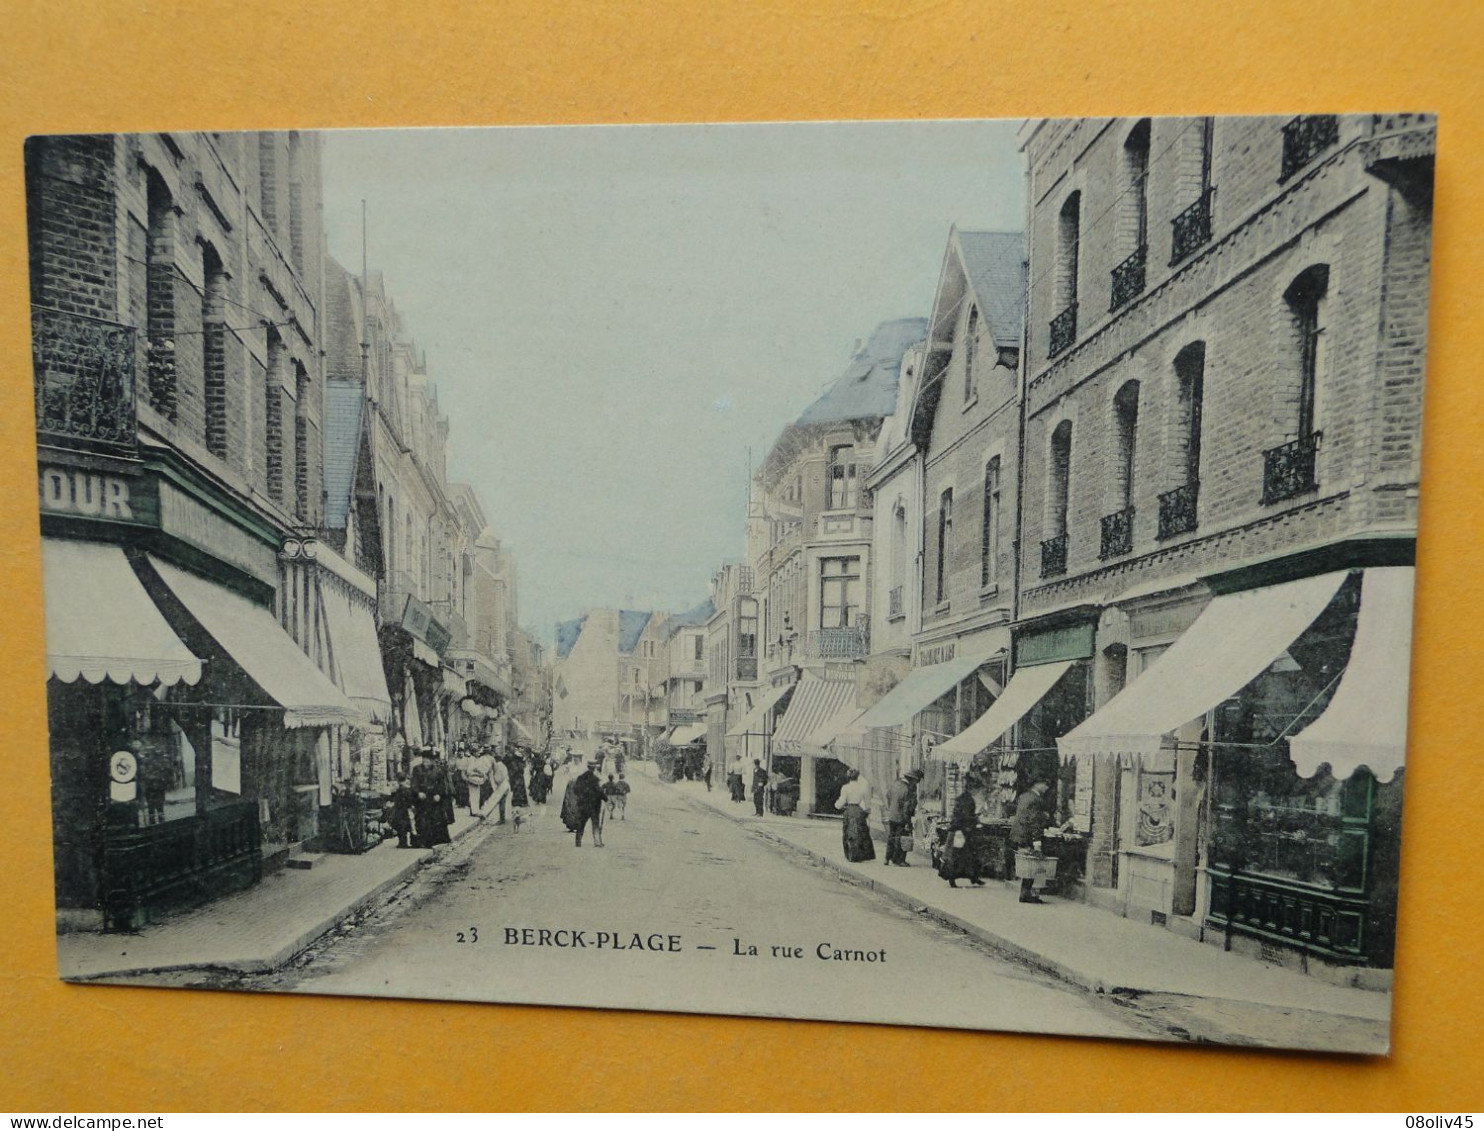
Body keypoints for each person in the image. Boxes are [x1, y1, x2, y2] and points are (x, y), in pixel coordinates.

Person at [1011, 780, 1060, 904]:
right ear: (1037, 784)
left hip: (1019, 835)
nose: (1046, 788)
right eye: (1045, 785)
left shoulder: (1024, 796)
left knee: (1028, 864)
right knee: (1033, 864)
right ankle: (1026, 895)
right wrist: (1037, 842)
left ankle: (1025, 893)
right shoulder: (1035, 800)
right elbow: (1034, 822)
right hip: (1027, 836)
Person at [938, 788, 986, 889]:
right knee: (961, 857)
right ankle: (969, 878)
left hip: (959, 831)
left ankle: (965, 878)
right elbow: (966, 816)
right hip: (961, 832)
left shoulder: (962, 800)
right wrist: (975, 820)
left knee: (958, 857)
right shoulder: (968, 801)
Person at [410, 748, 452, 847]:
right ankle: (422, 841)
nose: (426, 763)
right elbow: (414, 783)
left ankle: (434, 840)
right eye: (424, 760)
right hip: (422, 798)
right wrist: (418, 792)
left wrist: (439, 794)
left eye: (428, 761)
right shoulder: (417, 769)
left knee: (435, 819)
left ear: (432, 761)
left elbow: (442, 784)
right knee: (422, 820)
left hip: (433, 798)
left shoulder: (437, 770)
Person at [882, 768, 923, 866]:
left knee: (891, 837)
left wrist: (892, 807)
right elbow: (906, 808)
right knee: (902, 838)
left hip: (892, 815)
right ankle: (899, 860)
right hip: (901, 818)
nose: (916, 784)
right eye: (916, 782)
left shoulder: (895, 784)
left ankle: (887, 858)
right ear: (913, 780)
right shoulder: (907, 790)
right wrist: (908, 822)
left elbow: (888, 796)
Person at [834, 768, 875, 862]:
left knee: (849, 832)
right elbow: (867, 802)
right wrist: (867, 810)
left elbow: (841, 802)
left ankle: (851, 854)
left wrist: (836, 805)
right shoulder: (862, 788)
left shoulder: (845, 788)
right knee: (860, 832)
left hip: (850, 810)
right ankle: (862, 854)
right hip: (859, 810)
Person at [562, 760, 605, 847]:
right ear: (594, 769)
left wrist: (581, 797)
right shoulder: (595, 780)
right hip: (594, 806)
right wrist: (605, 797)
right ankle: (597, 842)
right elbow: (599, 792)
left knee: (581, 824)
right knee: (595, 824)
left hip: (583, 805)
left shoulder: (581, 778)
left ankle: (578, 842)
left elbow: (576, 790)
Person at [385, 773, 417, 848]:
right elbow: (410, 800)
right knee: (408, 827)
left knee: (402, 827)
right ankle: (409, 842)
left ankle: (403, 842)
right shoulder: (406, 789)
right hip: (405, 810)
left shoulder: (399, 790)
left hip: (401, 810)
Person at [462, 746, 495, 815]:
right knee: (474, 795)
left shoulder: (475, 759)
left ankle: (474, 810)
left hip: (474, 778)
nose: (479, 753)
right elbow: (470, 770)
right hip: (473, 778)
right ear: (474, 753)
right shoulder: (472, 760)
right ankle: (474, 811)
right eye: (477, 752)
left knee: (475, 795)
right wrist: (481, 774)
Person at [487, 752, 512, 823]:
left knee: (501, 803)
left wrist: (494, 781)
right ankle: (502, 818)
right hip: (506, 785)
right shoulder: (504, 766)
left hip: (502, 786)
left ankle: (502, 819)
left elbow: (498, 778)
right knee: (503, 802)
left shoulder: (497, 766)